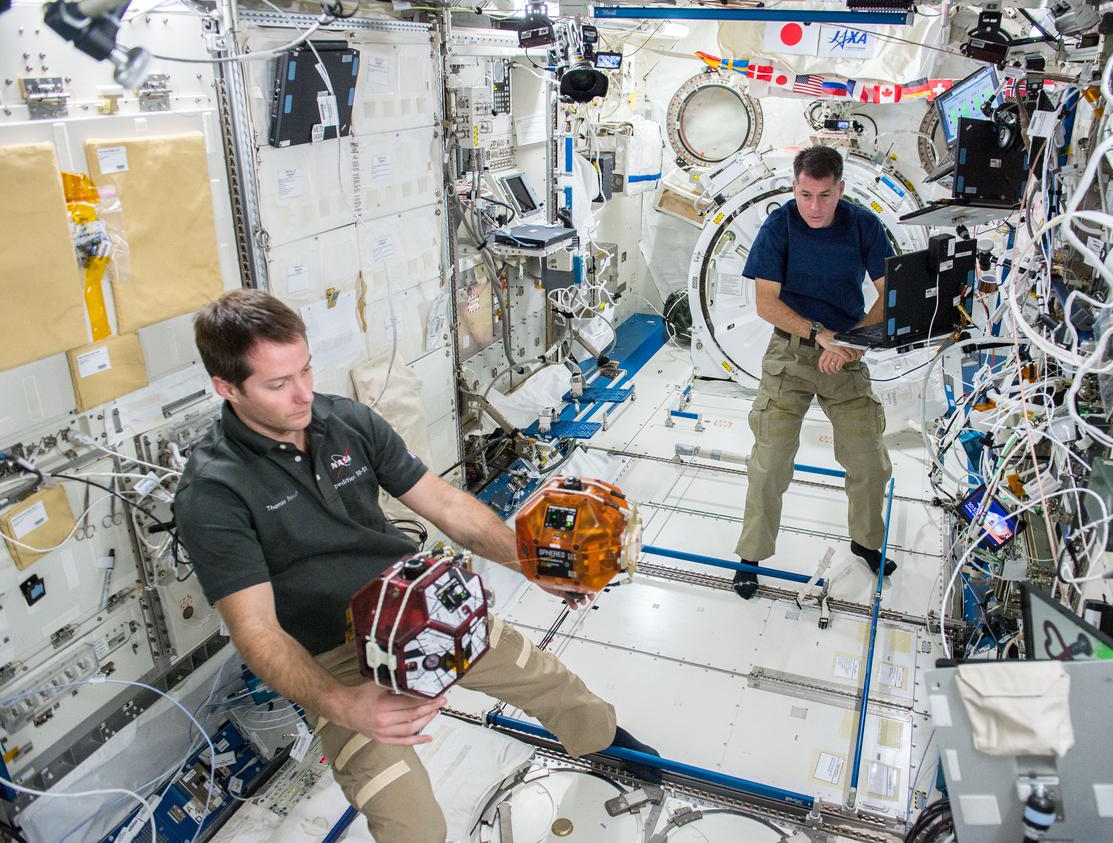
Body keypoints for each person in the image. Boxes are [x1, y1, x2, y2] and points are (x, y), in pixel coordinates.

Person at [174, 289, 657, 842]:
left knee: (543, 676)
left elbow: (446, 504)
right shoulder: (212, 492)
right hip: (332, 658)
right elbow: (255, 629)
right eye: (278, 384)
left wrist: (532, 562)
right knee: (409, 821)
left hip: (416, 605)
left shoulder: (346, 421)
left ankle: (602, 739)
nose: (304, 394)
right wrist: (343, 706)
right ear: (226, 388)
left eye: (305, 369)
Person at [732, 146, 895, 600]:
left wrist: (851, 343)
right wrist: (818, 334)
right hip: (792, 353)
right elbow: (766, 303)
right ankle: (751, 555)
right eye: (805, 195)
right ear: (793, 187)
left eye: (825, 195)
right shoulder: (779, 225)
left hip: (845, 353)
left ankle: (866, 542)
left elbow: (888, 293)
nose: (814, 207)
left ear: (841, 188)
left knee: (868, 459)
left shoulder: (863, 224)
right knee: (771, 460)